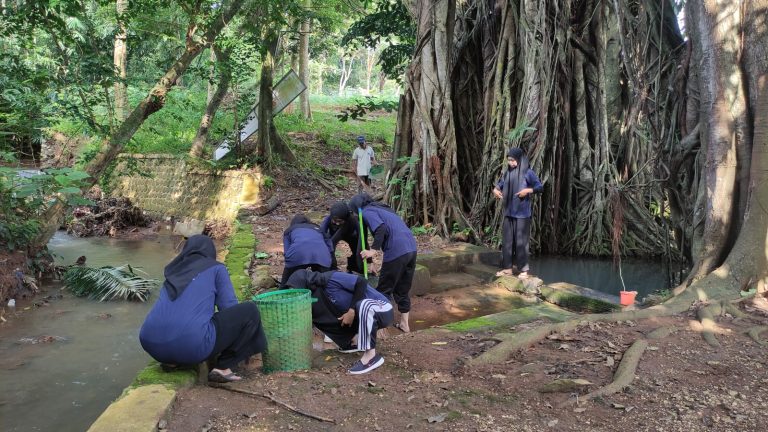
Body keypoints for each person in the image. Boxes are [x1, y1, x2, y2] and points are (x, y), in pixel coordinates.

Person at [139, 235, 267, 383]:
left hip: (150, 343)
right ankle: (223, 367)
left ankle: (171, 361)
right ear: (210, 251)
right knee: (250, 310)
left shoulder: (172, 271)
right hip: (192, 344)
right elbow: (229, 307)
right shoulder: (216, 268)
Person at [284, 269, 393, 374]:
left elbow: (361, 282)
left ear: (304, 283)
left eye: (296, 292)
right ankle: (351, 342)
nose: (296, 296)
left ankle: (371, 357)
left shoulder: (330, 278)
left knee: (363, 305)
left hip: (381, 307)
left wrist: (351, 310)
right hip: (363, 316)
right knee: (316, 314)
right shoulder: (315, 297)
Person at [351, 193, 417, 333]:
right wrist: (372, 262)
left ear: (357, 208)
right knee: (402, 289)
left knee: (384, 290)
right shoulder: (384, 209)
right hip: (411, 249)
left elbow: (381, 228)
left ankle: (380, 329)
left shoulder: (368, 211)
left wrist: (373, 251)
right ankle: (405, 324)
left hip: (396, 251)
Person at [492, 147, 543, 278]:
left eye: (513, 160)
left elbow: (539, 187)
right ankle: (507, 268)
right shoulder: (507, 173)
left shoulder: (528, 173)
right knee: (507, 241)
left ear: (520, 159)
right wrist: (496, 191)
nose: (511, 163)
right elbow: (499, 185)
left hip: (522, 214)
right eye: (509, 160)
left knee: (521, 242)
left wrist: (527, 191)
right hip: (509, 212)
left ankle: (523, 270)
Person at [281, 214, 334, 286]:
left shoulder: (289, 230)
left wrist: (290, 266)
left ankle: (283, 288)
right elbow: (330, 247)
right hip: (321, 256)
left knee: (287, 282)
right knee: (325, 282)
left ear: (293, 223)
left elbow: (286, 251)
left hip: (298, 254)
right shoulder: (318, 228)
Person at [319, 201, 371, 274]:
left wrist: (366, 260)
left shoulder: (353, 219)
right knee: (329, 247)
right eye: (334, 221)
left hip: (351, 236)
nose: (337, 223)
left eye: (340, 221)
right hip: (333, 236)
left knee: (357, 250)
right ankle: (332, 270)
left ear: (346, 218)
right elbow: (321, 233)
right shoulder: (328, 219)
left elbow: (362, 239)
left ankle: (354, 268)